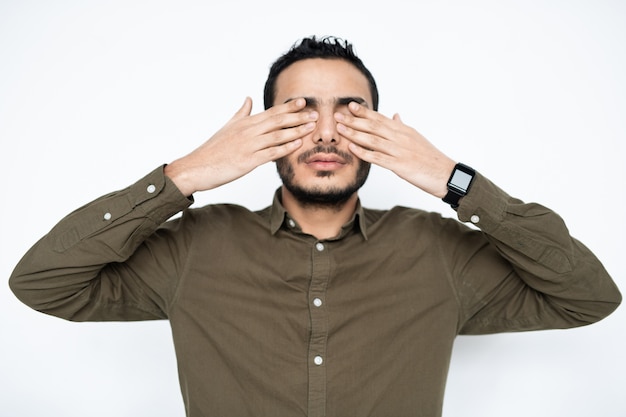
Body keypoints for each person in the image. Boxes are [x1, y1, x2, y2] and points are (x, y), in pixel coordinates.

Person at [9, 36, 622, 417]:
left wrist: (454, 180)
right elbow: (42, 282)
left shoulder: (438, 252)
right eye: (300, 113)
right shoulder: (195, 249)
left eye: (351, 113)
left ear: (380, 132)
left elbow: (589, 296)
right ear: (263, 133)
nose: (327, 133)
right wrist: (184, 175)